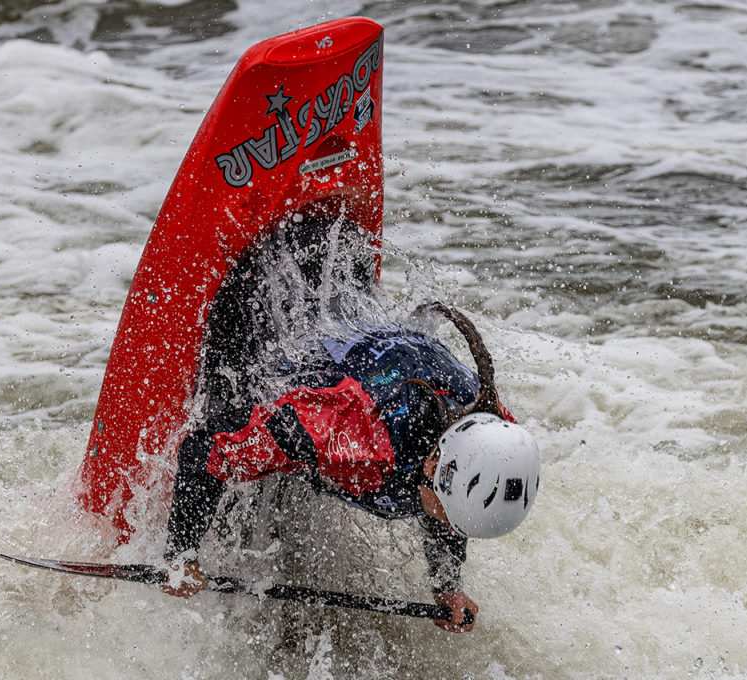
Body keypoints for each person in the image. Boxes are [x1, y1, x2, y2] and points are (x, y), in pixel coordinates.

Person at [159, 210, 541, 633]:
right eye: (451, 517)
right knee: (238, 506)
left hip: (343, 262)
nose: (448, 526)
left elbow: (460, 490)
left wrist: (446, 585)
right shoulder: (353, 435)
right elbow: (203, 448)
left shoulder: (492, 426)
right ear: (434, 465)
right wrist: (182, 555)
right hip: (258, 288)